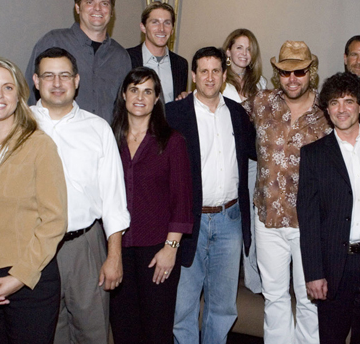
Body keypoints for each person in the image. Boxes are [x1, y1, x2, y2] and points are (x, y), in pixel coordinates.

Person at [0, 56, 67, 344]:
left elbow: (54, 220)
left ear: (19, 95)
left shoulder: (39, 146)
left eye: (7, 87)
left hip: (30, 282)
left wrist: (19, 276)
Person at [30, 47, 130, 344]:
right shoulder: (20, 125)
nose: (57, 82)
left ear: (76, 81)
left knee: (92, 331)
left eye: (64, 75)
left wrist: (114, 256)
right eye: (49, 75)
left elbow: (114, 197)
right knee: (46, 333)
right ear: (36, 81)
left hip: (85, 247)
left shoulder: (98, 129)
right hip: (33, 247)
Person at [243, 41, 332, 343]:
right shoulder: (261, 102)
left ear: (311, 72)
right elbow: (223, 112)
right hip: (267, 219)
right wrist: (193, 97)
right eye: (285, 72)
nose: (292, 78)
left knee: (309, 299)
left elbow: (356, 140)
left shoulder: (328, 111)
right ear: (277, 73)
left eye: (299, 71)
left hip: (309, 223)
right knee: (275, 297)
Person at [298, 72, 360, 343]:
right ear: (327, 110)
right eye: (334, 102)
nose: (342, 109)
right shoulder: (313, 154)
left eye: (348, 101)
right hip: (333, 266)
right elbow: (308, 220)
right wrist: (314, 273)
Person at [166, 47, 255, 344]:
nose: (209, 77)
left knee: (223, 306)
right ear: (193, 76)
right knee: (183, 306)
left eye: (215, 70)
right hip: (189, 224)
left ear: (224, 75)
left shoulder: (238, 113)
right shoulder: (173, 114)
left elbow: (258, 151)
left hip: (230, 220)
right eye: (203, 71)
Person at [109, 67, 194, 343]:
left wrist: (170, 249)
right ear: (124, 95)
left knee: (156, 330)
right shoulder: (109, 140)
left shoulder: (172, 141)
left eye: (148, 91)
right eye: (134, 90)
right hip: (118, 249)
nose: (140, 97)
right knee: (123, 329)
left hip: (157, 251)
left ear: (157, 98)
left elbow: (182, 202)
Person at [26, 0, 131, 122]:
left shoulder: (121, 57)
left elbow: (124, 110)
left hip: (103, 143)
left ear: (112, 10)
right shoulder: (52, 41)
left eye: (104, 3)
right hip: (54, 141)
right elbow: (29, 94)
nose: (97, 8)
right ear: (77, 7)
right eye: (90, 2)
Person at [221, 28, 266, 293]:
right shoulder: (218, 82)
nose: (244, 53)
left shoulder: (259, 86)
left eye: (248, 49)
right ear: (228, 51)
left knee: (252, 218)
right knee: (231, 216)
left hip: (252, 160)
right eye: (239, 47)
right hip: (226, 159)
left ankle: (253, 279)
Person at [127, 2, 189, 103]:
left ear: (172, 30)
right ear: (143, 27)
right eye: (155, 22)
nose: (161, 29)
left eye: (167, 23)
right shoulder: (126, 58)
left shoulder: (181, 64)